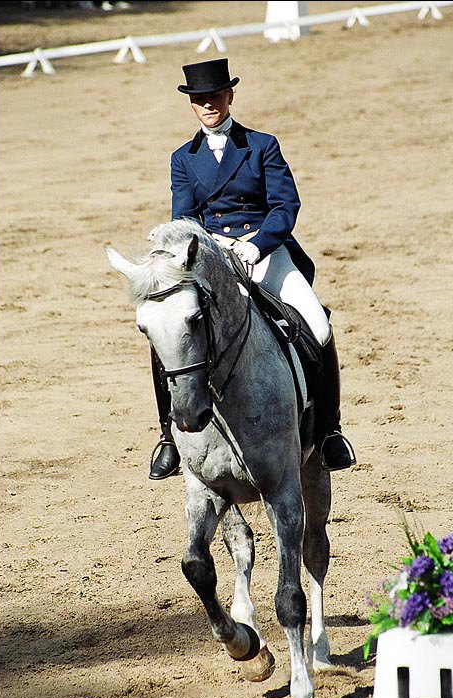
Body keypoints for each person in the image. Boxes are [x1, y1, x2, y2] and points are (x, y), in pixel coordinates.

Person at [149, 58, 356, 481]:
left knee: (317, 325)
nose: (208, 105)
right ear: (192, 105)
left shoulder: (262, 144)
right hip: (214, 259)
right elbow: (184, 215)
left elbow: (286, 205)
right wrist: (204, 244)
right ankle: (168, 436)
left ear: (229, 96)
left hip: (265, 251)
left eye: (214, 97)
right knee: (168, 336)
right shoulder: (183, 158)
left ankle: (331, 431)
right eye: (199, 100)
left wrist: (255, 244)